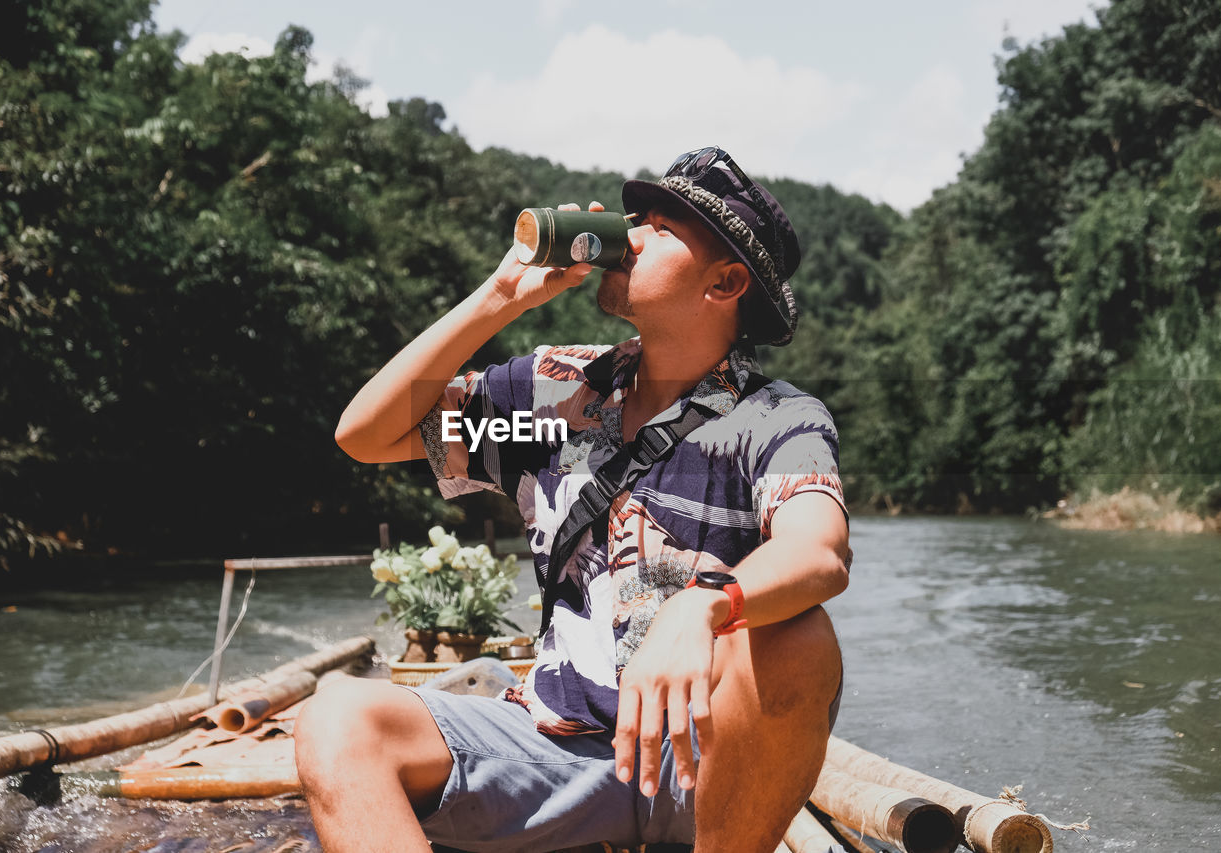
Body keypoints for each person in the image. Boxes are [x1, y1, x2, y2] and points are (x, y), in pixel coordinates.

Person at [295, 146, 851, 853]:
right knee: (335, 718)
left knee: (798, 638)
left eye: (661, 226)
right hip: (553, 751)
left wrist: (704, 605)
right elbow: (366, 434)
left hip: (708, 766)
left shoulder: (779, 419)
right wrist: (502, 295)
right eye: (636, 216)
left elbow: (818, 550)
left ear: (727, 280)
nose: (631, 232)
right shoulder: (555, 396)